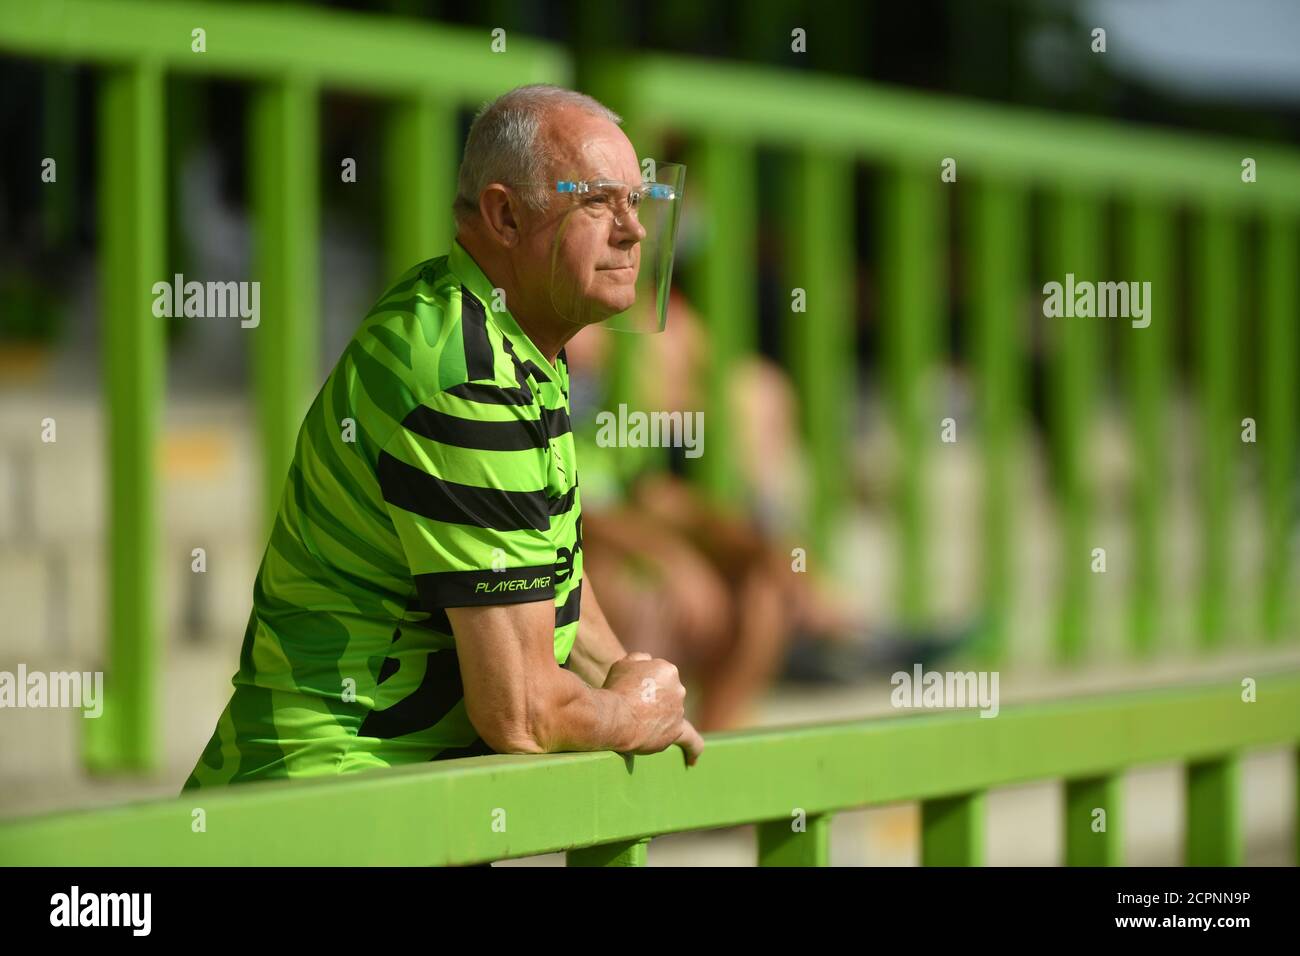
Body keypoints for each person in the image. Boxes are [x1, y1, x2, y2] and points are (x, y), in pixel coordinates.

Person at [182, 84, 704, 801]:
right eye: (596, 201)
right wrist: (634, 710)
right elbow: (522, 713)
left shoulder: (508, 335)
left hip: (382, 806)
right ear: (505, 216)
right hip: (320, 811)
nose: (633, 230)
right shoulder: (466, 374)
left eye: (637, 202)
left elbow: (547, 571)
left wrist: (627, 675)